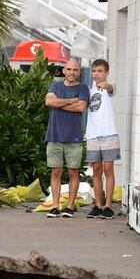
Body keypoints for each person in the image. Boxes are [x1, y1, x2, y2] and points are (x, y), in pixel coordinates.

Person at [44, 59, 89, 218]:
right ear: (64, 71)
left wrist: (58, 103)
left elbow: (81, 107)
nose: (71, 72)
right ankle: (55, 206)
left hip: (74, 137)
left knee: (73, 171)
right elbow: (49, 101)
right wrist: (70, 101)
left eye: (75, 70)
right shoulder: (55, 85)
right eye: (69, 69)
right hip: (54, 135)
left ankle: (69, 206)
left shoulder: (83, 88)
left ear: (79, 72)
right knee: (56, 171)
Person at [85, 59, 119, 219]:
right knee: (96, 170)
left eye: (99, 71)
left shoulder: (107, 88)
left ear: (106, 72)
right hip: (92, 135)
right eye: (94, 71)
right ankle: (98, 205)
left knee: (108, 169)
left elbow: (111, 88)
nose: (96, 74)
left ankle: (108, 206)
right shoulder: (89, 90)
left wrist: (107, 85)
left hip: (109, 134)